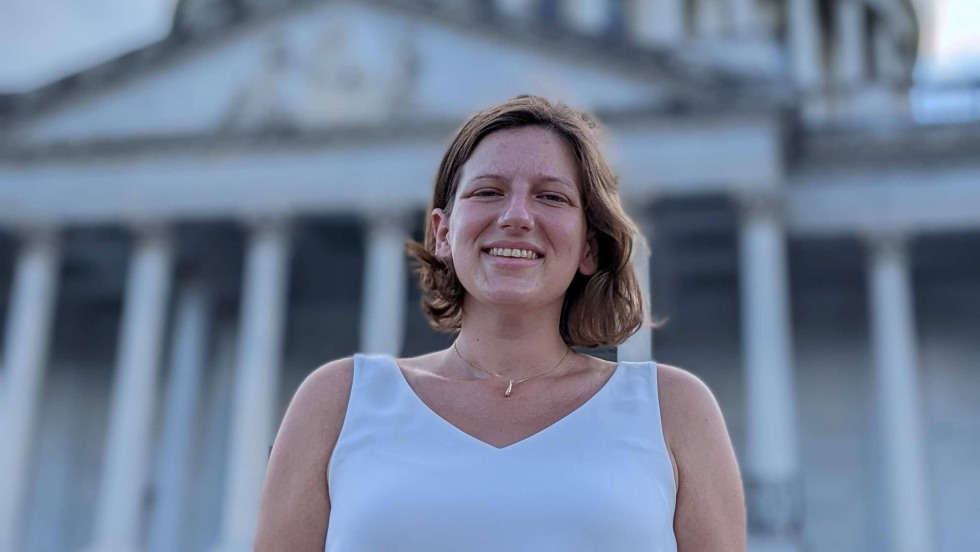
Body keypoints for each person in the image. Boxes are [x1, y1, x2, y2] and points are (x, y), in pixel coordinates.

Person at [254, 95, 745, 551]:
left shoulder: (674, 410)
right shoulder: (338, 400)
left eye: (551, 197)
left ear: (589, 247)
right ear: (442, 233)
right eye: (488, 192)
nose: (516, 216)